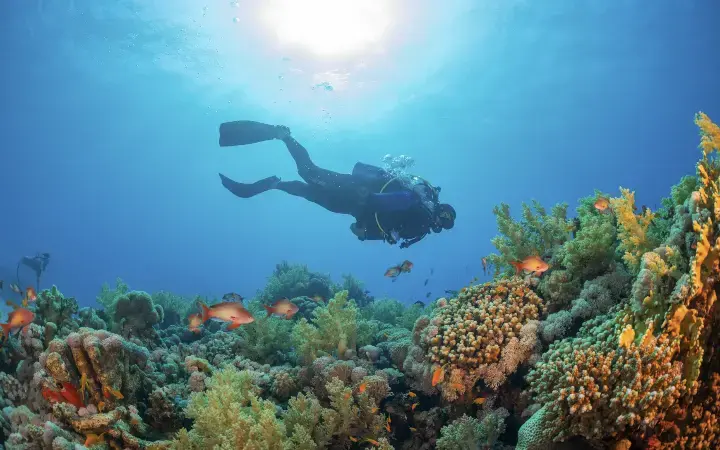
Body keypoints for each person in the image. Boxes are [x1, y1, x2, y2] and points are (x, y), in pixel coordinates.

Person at [217, 121, 456, 248]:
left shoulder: (419, 229)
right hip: (356, 191)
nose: (440, 224)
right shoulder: (421, 206)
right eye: (444, 219)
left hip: (353, 207)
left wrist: (363, 234)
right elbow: (403, 199)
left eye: (444, 224)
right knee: (309, 172)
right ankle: (285, 136)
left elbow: (389, 231)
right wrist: (369, 199)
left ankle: (274, 184)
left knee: (307, 191)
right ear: (440, 211)